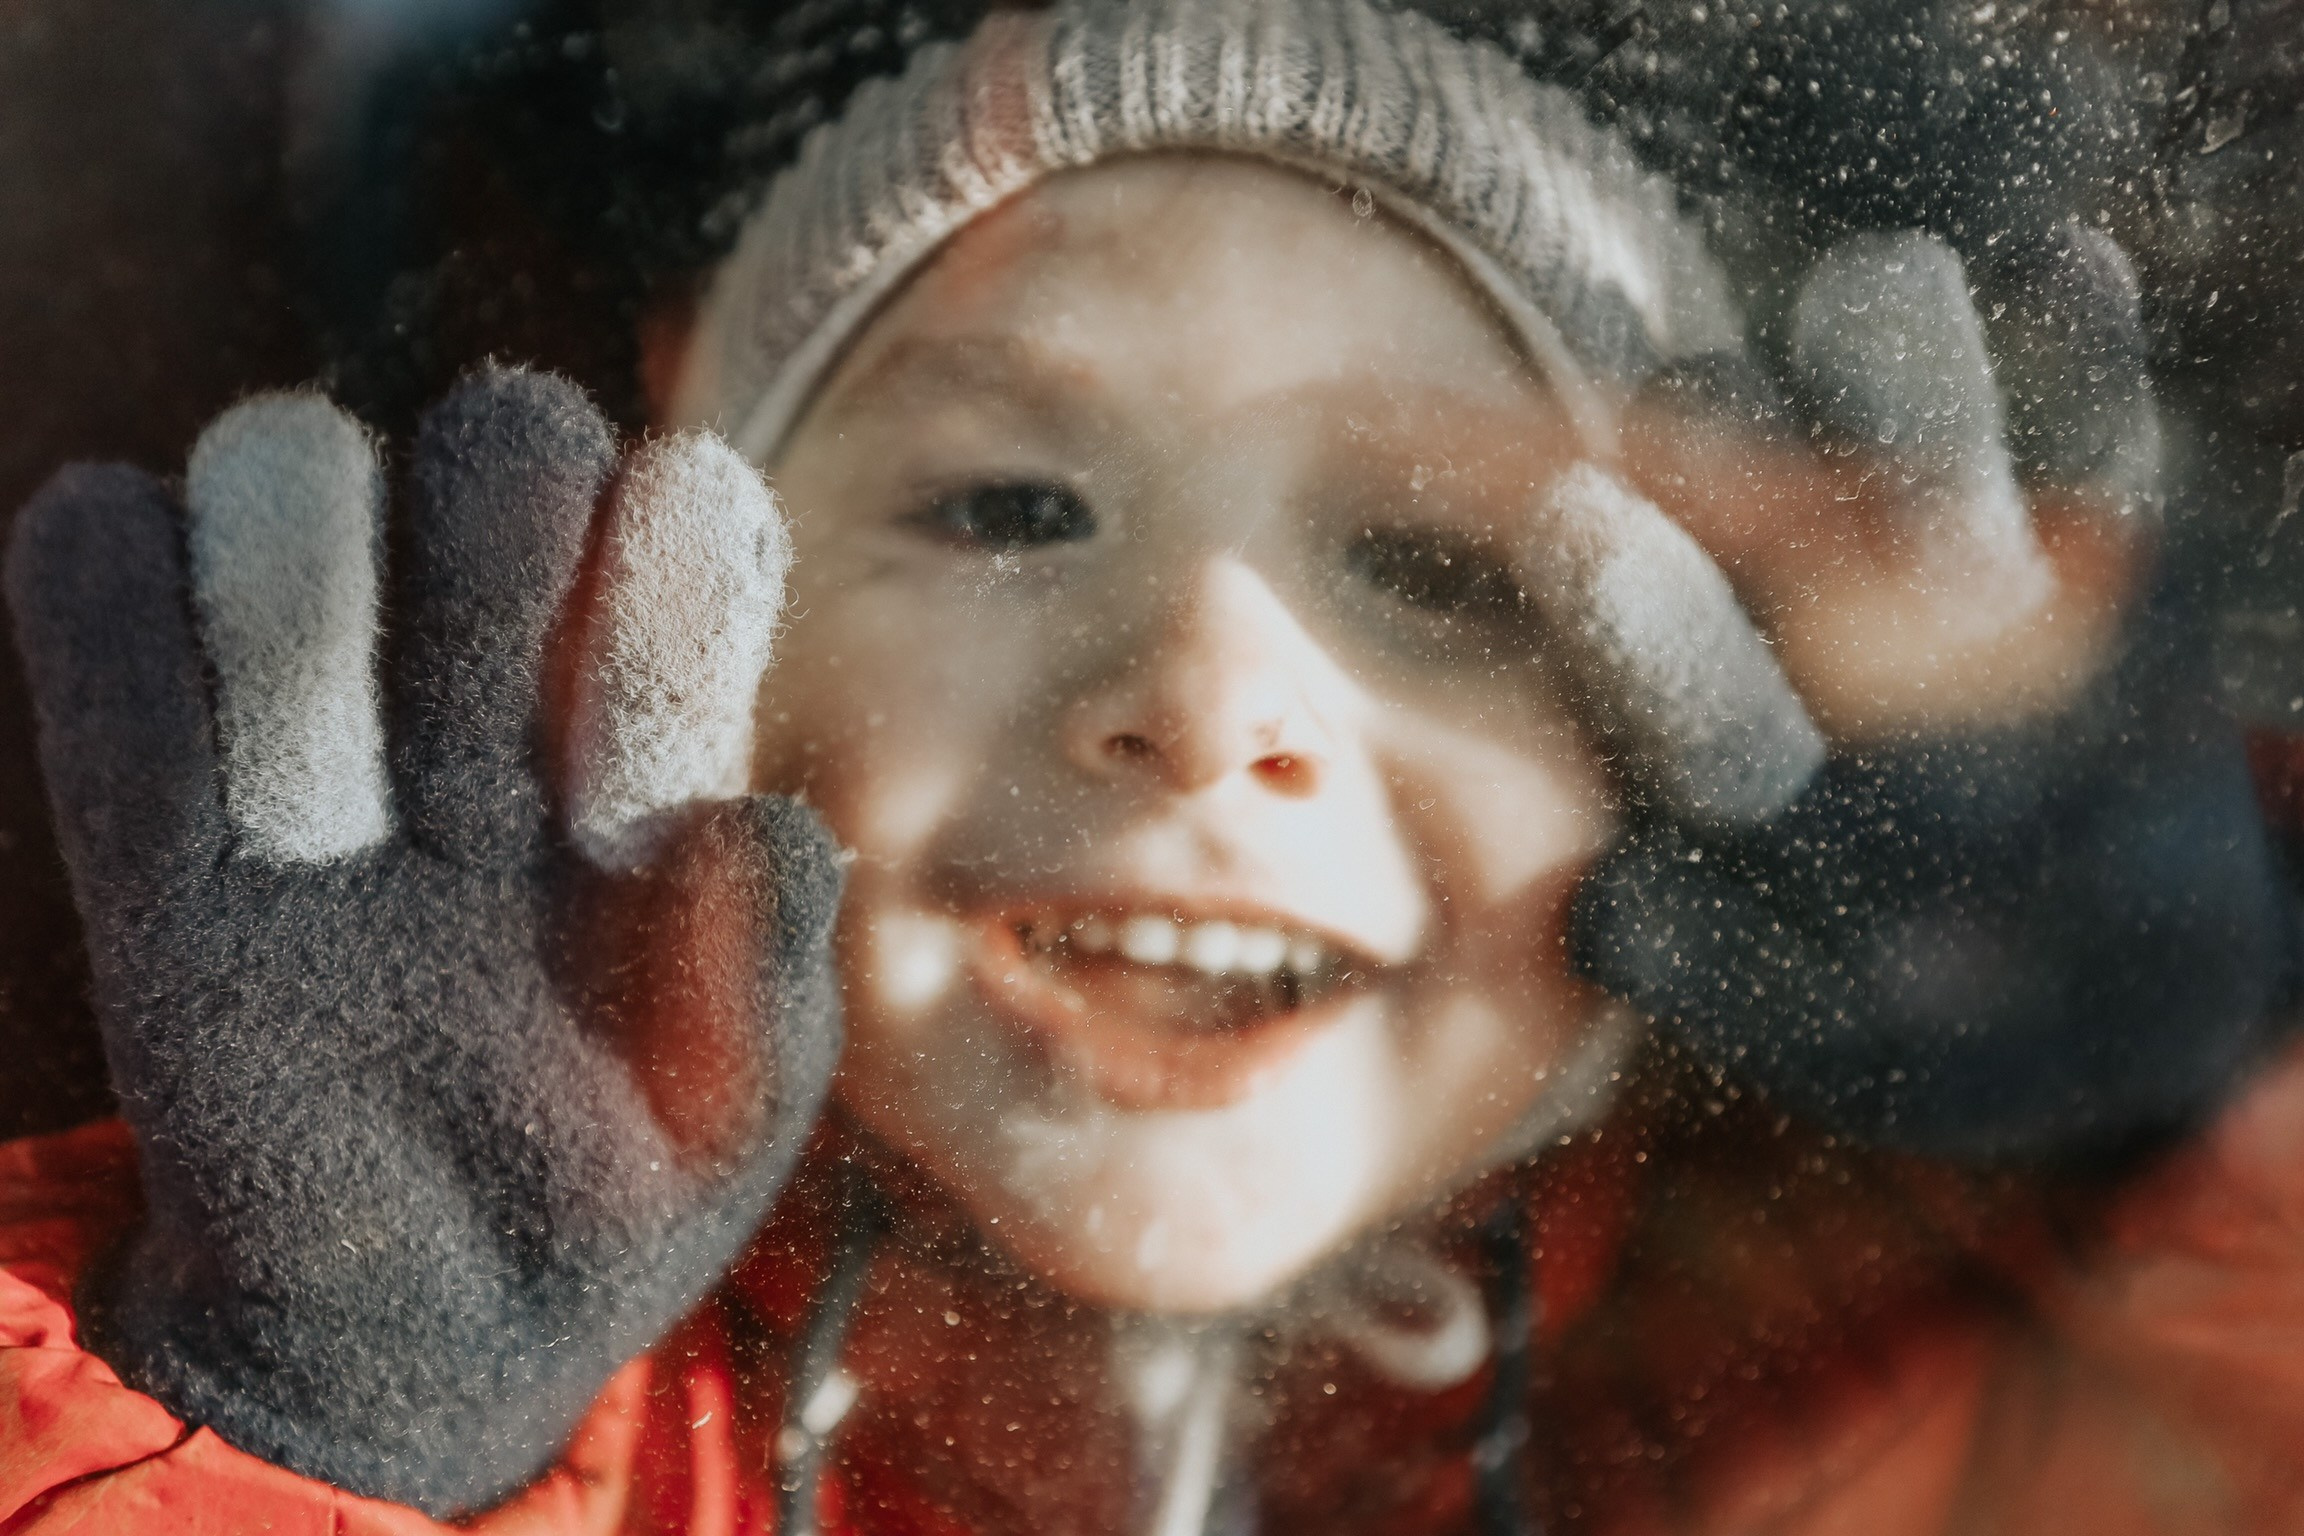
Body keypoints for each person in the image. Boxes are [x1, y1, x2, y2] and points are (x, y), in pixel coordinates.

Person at [2, 0, 2303, 1532]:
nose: (1210, 692)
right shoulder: (328, 1280)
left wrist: (2161, 1105)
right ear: (697, 610)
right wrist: (303, 1423)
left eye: (1443, 563)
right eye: (1010, 506)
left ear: (1709, 731)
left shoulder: (1863, 1337)